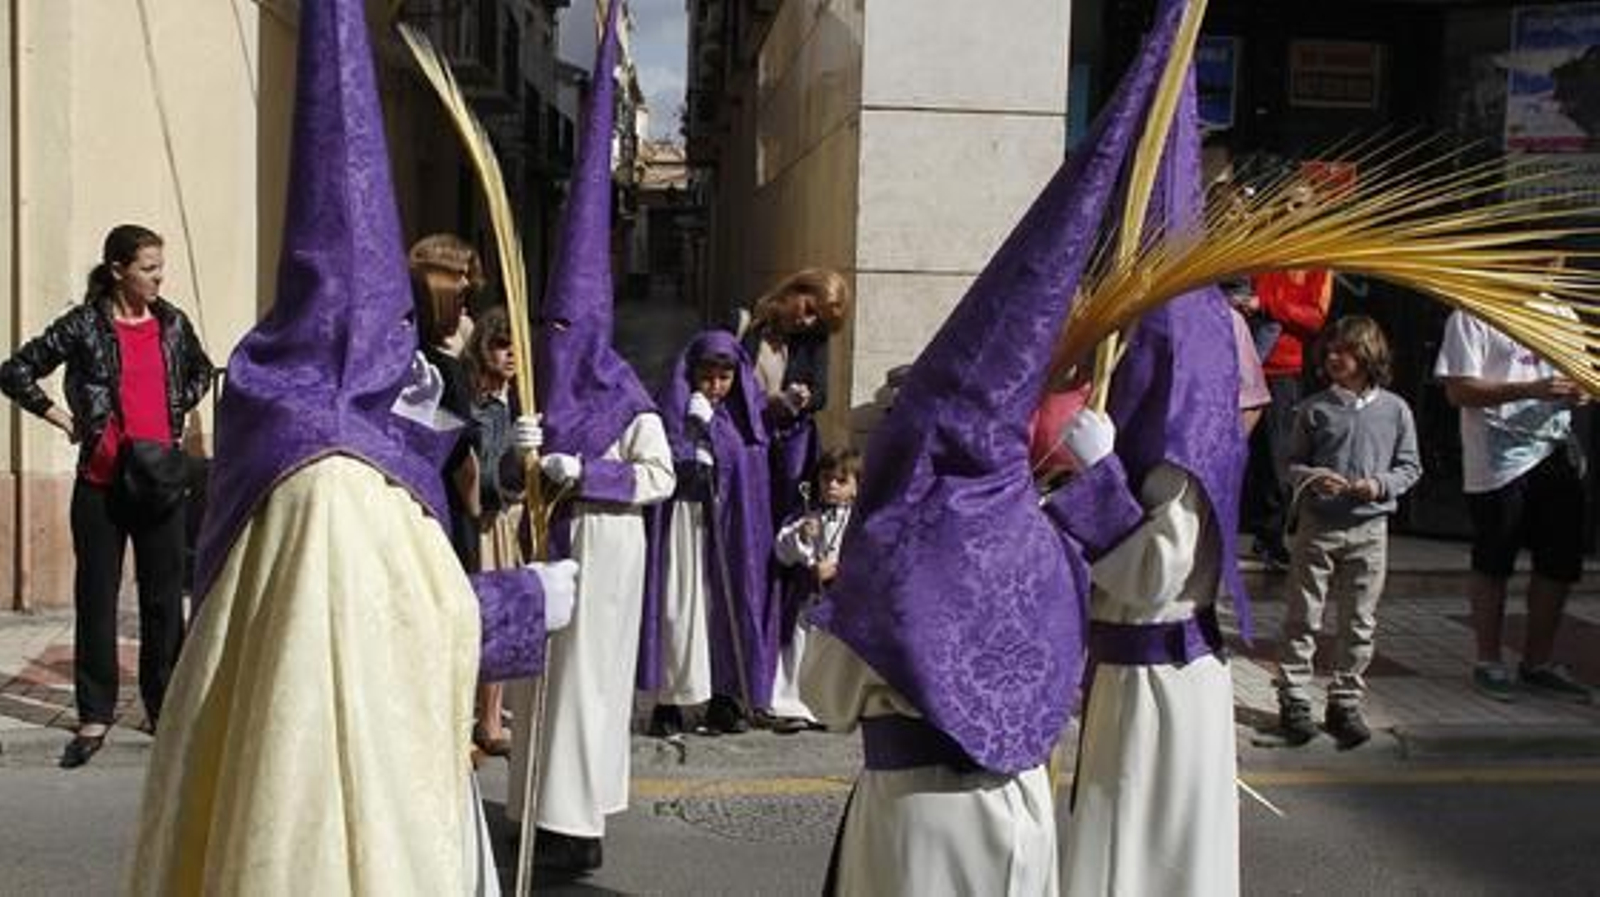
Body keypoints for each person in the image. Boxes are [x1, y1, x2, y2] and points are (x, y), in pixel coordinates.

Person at [128, 1, 572, 892]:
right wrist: (526, 597)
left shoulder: (289, 424)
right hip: (343, 820)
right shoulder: (338, 470)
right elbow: (393, 639)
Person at [800, 6, 1189, 891]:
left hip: (918, 824)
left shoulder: (897, 538)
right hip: (1022, 812)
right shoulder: (1043, 534)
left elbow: (826, 698)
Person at [506, 0, 676, 874]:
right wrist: (522, 452)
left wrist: (590, 472)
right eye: (552, 325)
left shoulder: (629, 396)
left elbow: (660, 477)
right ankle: (538, 810)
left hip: (607, 559)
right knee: (544, 691)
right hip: (552, 557)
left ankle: (577, 827)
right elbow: (510, 480)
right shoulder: (543, 385)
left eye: (572, 327)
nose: (558, 341)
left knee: (585, 693)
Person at [0, 223, 213, 769]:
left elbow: (200, 371)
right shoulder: (85, 325)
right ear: (118, 270)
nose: (158, 279)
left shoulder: (171, 324)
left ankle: (163, 708)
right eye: (148, 269)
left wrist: (170, 420)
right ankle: (94, 714)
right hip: (100, 485)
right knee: (96, 602)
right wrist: (67, 421)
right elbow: (16, 370)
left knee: (164, 604)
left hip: (161, 480)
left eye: (161, 269)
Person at [1434, 292, 1593, 704]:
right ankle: (1488, 660)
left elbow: (1582, 376)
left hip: (1555, 450)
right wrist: (1529, 389)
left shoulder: (1561, 311)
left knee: (1559, 563)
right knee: (1495, 559)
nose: (1550, 265)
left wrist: (1581, 392)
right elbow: (1459, 391)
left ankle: (1537, 663)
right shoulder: (1473, 311)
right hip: (1498, 458)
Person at [1275, 315, 1421, 748]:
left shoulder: (1395, 410)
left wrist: (1377, 486)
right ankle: (1295, 698)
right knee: (1304, 614)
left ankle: (1344, 702)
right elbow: (1290, 464)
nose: (1335, 358)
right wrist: (1311, 477)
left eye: (1346, 351)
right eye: (1331, 351)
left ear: (1368, 356)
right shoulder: (1314, 409)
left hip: (1370, 529)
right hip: (1319, 527)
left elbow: (1410, 466)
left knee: (1359, 620)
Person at [640, 331, 774, 738]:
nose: (716, 386)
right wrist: (691, 438)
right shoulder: (672, 407)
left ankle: (723, 696)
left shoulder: (739, 417)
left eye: (725, 377)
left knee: (723, 608)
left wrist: (713, 429)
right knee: (680, 607)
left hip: (728, 533)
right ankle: (669, 700)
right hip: (684, 522)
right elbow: (663, 457)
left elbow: (744, 463)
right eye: (707, 376)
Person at [1242, 182, 1333, 567]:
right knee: (1243, 451)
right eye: (1282, 203)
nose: (1287, 211)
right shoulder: (1260, 249)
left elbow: (1315, 317)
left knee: (1278, 457)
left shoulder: (1317, 260)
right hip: (1246, 363)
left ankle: (1271, 535)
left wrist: (1268, 304)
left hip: (1284, 370)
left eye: (1297, 205)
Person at [738, 267, 850, 527]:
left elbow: (821, 395)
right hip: (744, 440)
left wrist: (802, 399)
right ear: (795, 290)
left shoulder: (813, 339)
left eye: (817, 320)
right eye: (809, 310)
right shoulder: (747, 323)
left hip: (786, 449)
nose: (809, 322)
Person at [464, 306, 526, 758]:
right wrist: (514, 464)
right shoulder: (482, 405)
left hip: (514, 519)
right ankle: (484, 720)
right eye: (502, 346)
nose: (510, 356)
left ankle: (494, 711)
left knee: (508, 616)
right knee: (490, 618)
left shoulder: (517, 398)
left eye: (515, 347)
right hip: (488, 521)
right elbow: (482, 473)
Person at [768, 447, 860, 733]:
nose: (831, 485)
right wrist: (801, 538)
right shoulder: (808, 515)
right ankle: (793, 705)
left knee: (832, 655)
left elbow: (868, 554)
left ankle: (830, 709)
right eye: (827, 479)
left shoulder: (859, 520)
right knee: (800, 650)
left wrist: (838, 568)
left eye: (841, 481)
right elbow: (782, 551)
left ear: (857, 487)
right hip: (807, 599)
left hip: (841, 600)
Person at [411, 232, 487, 573]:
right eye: (461, 298)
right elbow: (464, 469)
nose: (467, 309)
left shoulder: (396, 359)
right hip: (443, 517)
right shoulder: (444, 370)